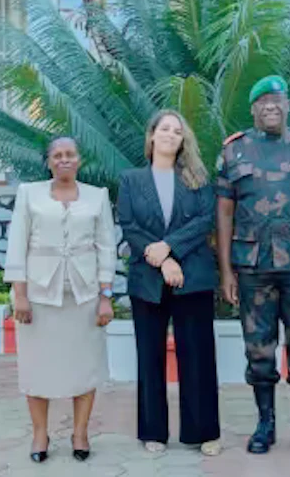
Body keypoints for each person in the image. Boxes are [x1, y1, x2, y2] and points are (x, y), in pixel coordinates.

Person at [215, 75, 290, 458]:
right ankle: (265, 424)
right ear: (253, 109)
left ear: (287, 105)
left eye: (277, 100)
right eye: (263, 101)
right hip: (253, 268)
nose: (271, 106)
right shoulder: (234, 151)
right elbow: (224, 212)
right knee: (259, 350)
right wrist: (225, 271)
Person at [3, 136, 117, 464]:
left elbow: (106, 250)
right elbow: (17, 245)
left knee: (85, 367)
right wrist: (20, 295)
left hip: (84, 298)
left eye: (70, 154)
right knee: (38, 369)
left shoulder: (98, 197)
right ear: (49, 161)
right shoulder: (29, 194)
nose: (64, 159)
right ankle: (40, 432)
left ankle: (80, 432)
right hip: (37, 298)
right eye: (57, 155)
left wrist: (106, 298)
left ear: (79, 160)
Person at [117, 110, 222, 457]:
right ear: (151, 136)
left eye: (177, 131)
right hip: (148, 279)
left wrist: (170, 247)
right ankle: (154, 432)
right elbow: (130, 226)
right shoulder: (131, 180)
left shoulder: (197, 177)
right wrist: (164, 260)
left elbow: (205, 220)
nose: (170, 135)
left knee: (199, 356)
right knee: (150, 357)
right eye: (164, 129)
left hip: (194, 277)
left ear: (183, 140)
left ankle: (203, 431)